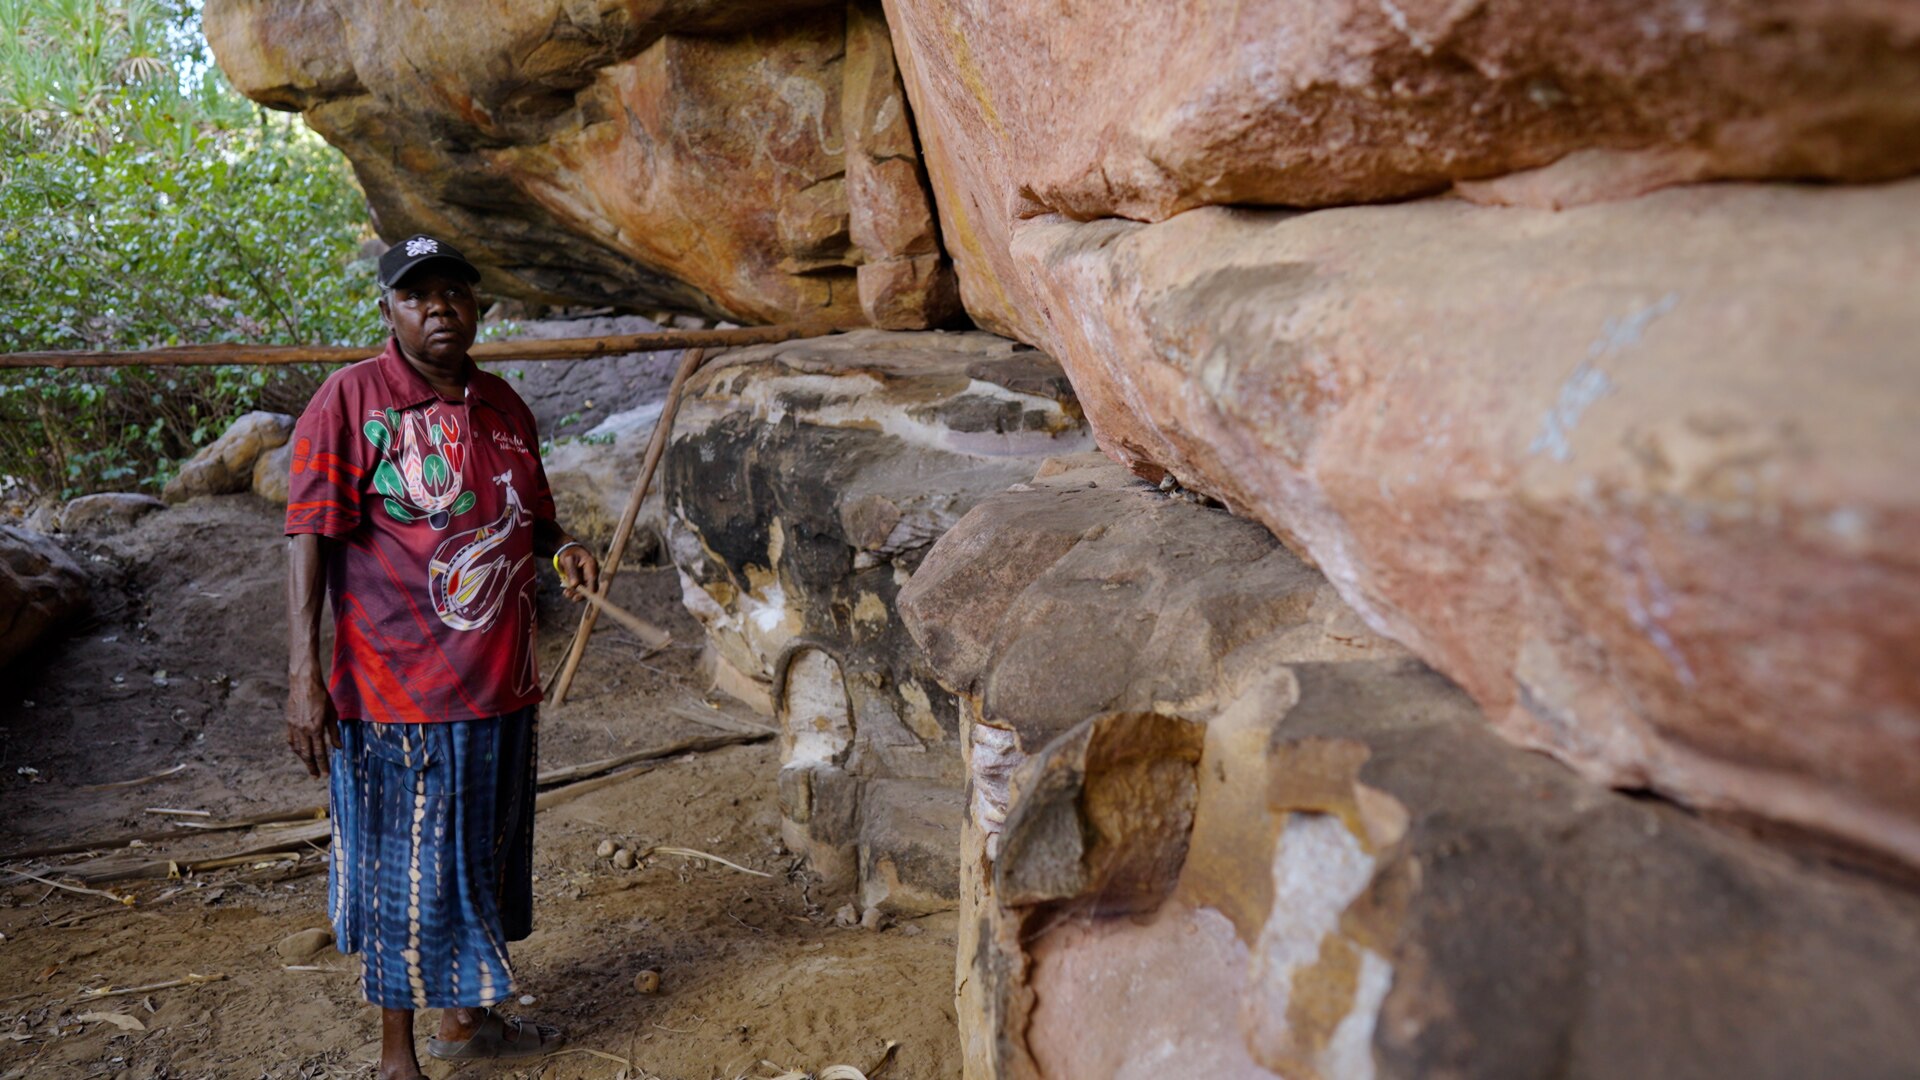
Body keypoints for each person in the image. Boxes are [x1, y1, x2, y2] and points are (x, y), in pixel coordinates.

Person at [283, 234, 599, 1079]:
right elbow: (308, 535)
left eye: (453, 292)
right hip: (396, 692)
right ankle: (397, 1059)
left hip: (501, 688)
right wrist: (302, 675)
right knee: (401, 874)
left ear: (478, 306)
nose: (438, 309)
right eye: (417, 296)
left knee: (480, 861)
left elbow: (532, 519)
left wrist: (565, 551)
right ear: (388, 310)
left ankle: (466, 1024)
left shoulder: (503, 406)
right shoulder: (351, 401)